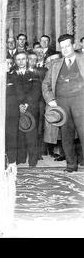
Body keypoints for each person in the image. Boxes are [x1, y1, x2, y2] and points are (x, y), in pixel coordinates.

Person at [42, 34, 84, 172]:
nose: (65, 49)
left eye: (67, 46)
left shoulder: (82, 60)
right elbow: (45, 85)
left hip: (80, 104)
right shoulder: (55, 64)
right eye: (62, 47)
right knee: (66, 136)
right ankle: (71, 165)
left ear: (73, 45)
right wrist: (51, 100)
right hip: (62, 105)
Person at [14, 51, 42, 167]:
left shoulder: (34, 74)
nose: (21, 61)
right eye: (18, 59)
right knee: (19, 135)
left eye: (23, 59)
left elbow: (36, 91)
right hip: (16, 108)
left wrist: (26, 105)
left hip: (30, 107)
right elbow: (11, 92)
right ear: (15, 61)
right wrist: (18, 105)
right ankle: (21, 159)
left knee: (31, 135)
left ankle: (33, 161)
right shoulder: (12, 75)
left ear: (27, 60)